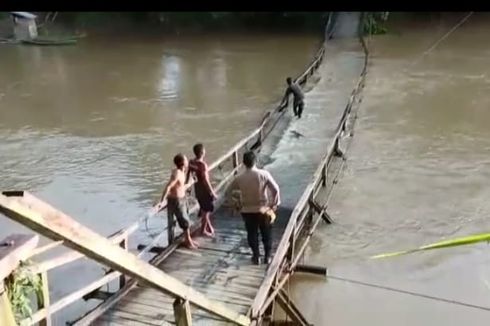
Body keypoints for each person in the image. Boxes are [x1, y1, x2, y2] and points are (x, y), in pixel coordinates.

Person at [225, 151, 280, 265]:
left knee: (252, 233)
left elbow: (228, 192)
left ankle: (256, 256)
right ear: (255, 161)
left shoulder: (239, 178)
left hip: (247, 210)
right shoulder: (264, 174)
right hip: (263, 209)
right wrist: (273, 204)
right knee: (266, 233)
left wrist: (234, 204)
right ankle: (267, 257)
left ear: (244, 163)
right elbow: (276, 189)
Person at [156, 153, 198, 249]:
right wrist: (162, 200)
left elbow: (181, 187)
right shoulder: (177, 174)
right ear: (182, 163)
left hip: (182, 199)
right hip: (176, 201)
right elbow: (169, 186)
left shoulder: (182, 171)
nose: (188, 161)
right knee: (185, 221)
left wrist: (191, 182)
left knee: (185, 219)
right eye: (186, 160)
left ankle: (188, 239)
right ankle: (188, 241)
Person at [187, 143, 217, 237]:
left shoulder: (191, 162)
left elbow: (189, 173)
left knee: (204, 210)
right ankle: (203, 230)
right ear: (202, 152)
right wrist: (212, 192)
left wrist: (188, 186)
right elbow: (206, 181)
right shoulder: (202, 165)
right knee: (206, 211)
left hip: (198, 190)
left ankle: (209, 227)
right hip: (204, 191)